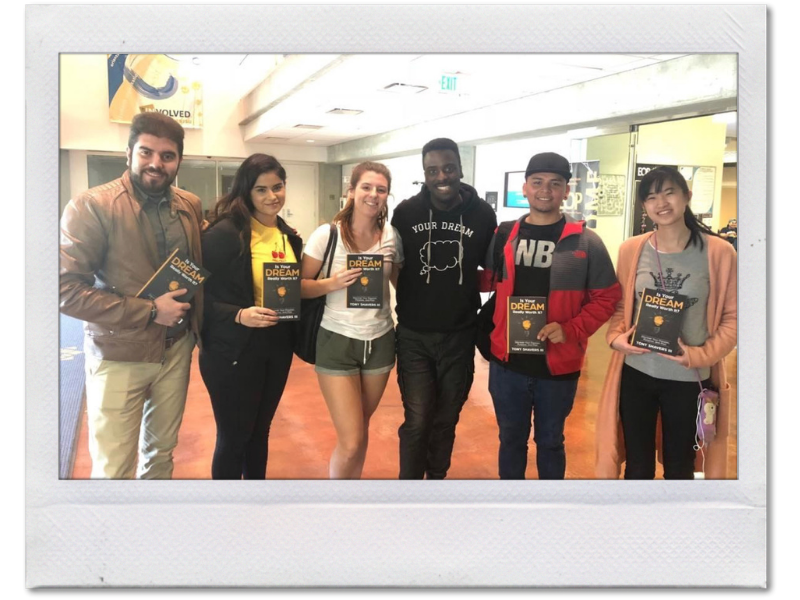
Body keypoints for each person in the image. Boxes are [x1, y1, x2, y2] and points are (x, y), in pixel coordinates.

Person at [59, 112, 203, 479]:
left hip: (176, 349)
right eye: (146, 152)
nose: (156, 163)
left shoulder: (189, 205)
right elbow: (64, 290)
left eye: (167, 156)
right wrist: (149, 311)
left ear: (179, 161)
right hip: (118, 353)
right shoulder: (92, 206)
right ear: (129, 153)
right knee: (113, 469)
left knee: (161, 456)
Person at [481, 152, 621, 479]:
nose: (545, 190)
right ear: (525, 188)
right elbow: (486, 281)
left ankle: (551, 504)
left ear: (566, 191)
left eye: (555, 183)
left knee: (551, 442)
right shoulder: (504, 236)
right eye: (538, 182)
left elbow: (607, 297)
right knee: (510, 439)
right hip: (508, 363)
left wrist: (572, 329)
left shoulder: (586, 242)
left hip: (559, 364)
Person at [595, 166, 738, 480]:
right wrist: (615, 338)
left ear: (687, 196)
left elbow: (732, 319)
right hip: (636, 372)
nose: (661, 202)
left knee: (680, 466)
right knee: (637, 465)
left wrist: (698, 356)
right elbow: (622, 307)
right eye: (651, 197)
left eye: (669, 192)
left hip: (689, 378)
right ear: (644, 206)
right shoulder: (632, 249)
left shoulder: (719, 252)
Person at [391, 138, 497, 479]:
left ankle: (436, 484)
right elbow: (396, 265)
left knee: (446, 419)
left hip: (460, 334)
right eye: (432, 170)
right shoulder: (406, 213)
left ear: (460, 169)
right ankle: (409, 489)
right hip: (414, 335)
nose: (441, 177)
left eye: (448, 168)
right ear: (424, 174)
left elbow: (491, 269)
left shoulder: (482, 214)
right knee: (418, 418)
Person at [198, 154, 303, 480]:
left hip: (276, 347)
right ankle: (228, 505)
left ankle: (256, 500)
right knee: (234, 437)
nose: (273, 196)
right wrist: (238, 315)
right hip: (232, 350)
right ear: (246, 191)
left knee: (260, 432)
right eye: (261, 189)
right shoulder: (224, 234)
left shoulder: (289, 235)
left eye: (278, 187)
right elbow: (195, 295)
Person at [301, 162, 404, 479]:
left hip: (380, 341)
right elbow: (298, 287)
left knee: (361, 428)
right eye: (366, 187)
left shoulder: (391, 236)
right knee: (351, 439)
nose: (374, 195)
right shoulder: (327, 235)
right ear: (351, 191)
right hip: (337, 340)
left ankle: (352, 492)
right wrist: (332, 283)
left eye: (381, 189)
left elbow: (402, 285)